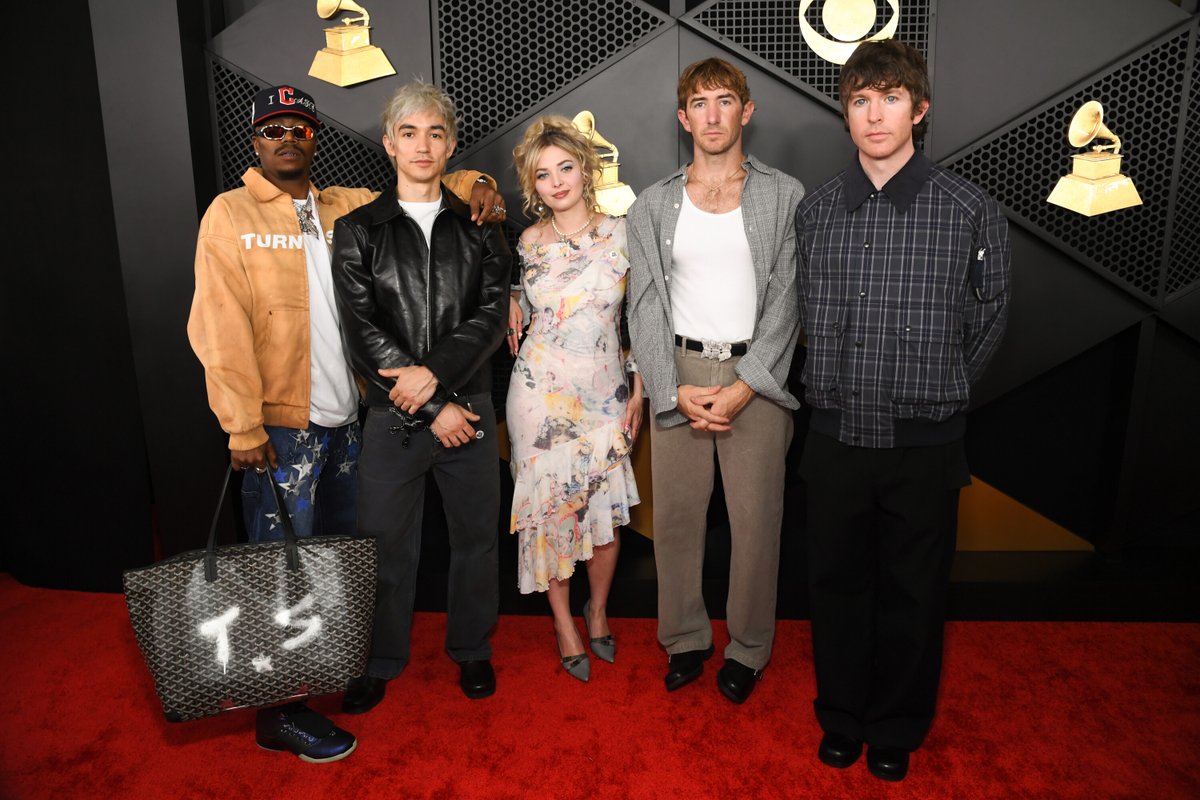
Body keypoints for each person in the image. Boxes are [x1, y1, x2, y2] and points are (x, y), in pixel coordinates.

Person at [188, 84, 505, 763]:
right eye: (272, 130)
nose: (286, 139)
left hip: (347, 423)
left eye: (298, 128)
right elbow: (217, 328)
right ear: (255, 141)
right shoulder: (230, 213)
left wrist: (480, 180)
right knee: (279, 568)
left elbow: (428, 181)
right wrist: (240, 424)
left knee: (339, 564)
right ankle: (279, 712)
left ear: (313, 137)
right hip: (279, 425)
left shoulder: (342, 206)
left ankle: (323, 677)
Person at [795, 39, 1011, 782]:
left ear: (919, 109)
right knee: (836, 584)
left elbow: (990, 318)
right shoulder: (817, 211)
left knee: (915, 592)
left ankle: (895, 723)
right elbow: (794, 316)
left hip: (925, 443)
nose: (874, 113)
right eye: (860, 99)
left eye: (889, 97)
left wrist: (939, 388)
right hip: (833, 435)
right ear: (846, 114)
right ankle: (842, 716)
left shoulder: (968, 209)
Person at [627, 58, 805, 704]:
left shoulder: (785, 195)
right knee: (675, 521)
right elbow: (643, 302)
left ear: (745, 111)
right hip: (678, 373)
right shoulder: (652, 203)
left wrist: (745, 384)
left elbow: (790, 297)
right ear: (683, 118)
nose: (710, 114)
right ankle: (684, 638)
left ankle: (750, 647)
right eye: (698, 103)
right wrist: (671, 386)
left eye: (723, 101)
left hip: (755, 378)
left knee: (757, 523)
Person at [332, 81, 510, 714]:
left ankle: (471, 649)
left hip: (472, 410)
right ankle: (379, 660)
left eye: (435, 133)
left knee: (477, 541)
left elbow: (491, 319)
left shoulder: (482, 228)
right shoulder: (357, 230)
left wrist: (433, 377)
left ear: (452, 145)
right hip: (396, 419)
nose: (423, 145)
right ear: (389, 144)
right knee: (382, 547)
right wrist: (434, 406)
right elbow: (361, 332)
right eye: (409, 133)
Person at [504, 116, 643, 682]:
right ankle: (563, 621)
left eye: (565, 168)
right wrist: (510, 298)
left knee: (606, 511)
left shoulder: (624, 232)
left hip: (607, 390)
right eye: (543, 175)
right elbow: (525, 301)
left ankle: (598, 608)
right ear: (532, 186)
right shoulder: (528, 242)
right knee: (552, 514)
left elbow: (646, 319)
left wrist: (639, 388)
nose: (557, 182)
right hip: (538, 394)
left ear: (585, 170)